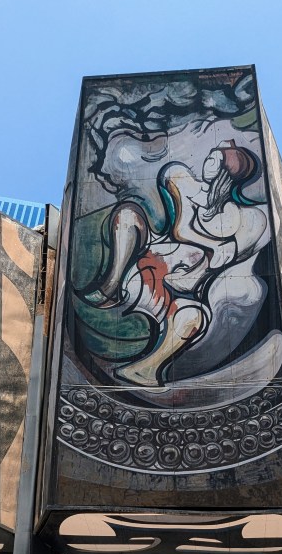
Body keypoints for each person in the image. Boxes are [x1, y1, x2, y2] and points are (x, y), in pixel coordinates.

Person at [86, 140, 267, 387]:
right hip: (153, 252)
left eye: (215, 160)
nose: (208, 161)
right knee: (127, 216)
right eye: (210, 156)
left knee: (194, 317)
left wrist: (205, 253)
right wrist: (210, 244)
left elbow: (219, 260)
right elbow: (181, 229)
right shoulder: (187, 184)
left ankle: (143, 372)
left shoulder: (242, 217)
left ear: (227, 172)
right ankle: (111, 288)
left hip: (178, 281)